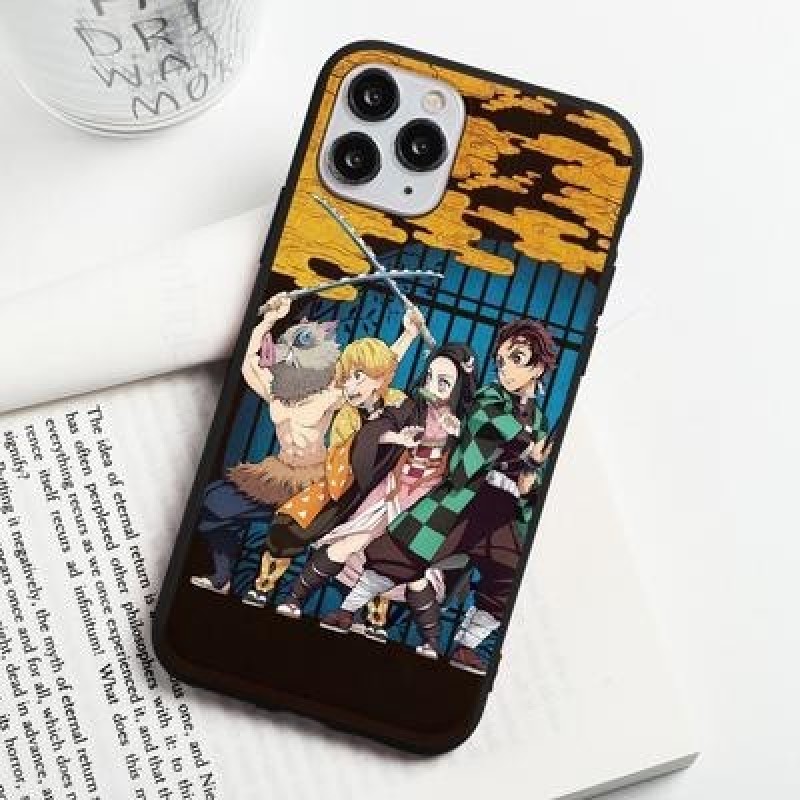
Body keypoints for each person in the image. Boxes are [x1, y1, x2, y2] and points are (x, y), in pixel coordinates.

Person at [331, 318, 557, 675]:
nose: (505, 369)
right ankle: (346, 610)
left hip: (506, 510)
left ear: (539, 367)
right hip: (469, 498)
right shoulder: (489, 397)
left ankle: (465, 647)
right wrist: (530, 449)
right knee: (404, 550)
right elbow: (491, 425)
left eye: (516, 359)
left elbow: (532, 474)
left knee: (507, 578)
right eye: (500, 360)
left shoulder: (540, 420)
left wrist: (531, 474)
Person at [191, 292, 423, 594]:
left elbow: (373, 371)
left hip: (313, 480)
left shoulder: (329, 394)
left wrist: (408, 334)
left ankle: (276, 586)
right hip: (274, 474)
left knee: (290, 533)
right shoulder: (274, 389)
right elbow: (247, 363)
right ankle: (223, 577)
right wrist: (269, 320)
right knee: (212, 503)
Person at [276, 344, 478, 660]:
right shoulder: (411, 407)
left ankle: (430, 642)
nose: (433, 386)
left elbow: (472, 471)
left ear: (459, 388)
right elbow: (378, 427)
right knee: (350, 542)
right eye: (430, 377)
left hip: (427, 505)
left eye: (444, 382)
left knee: (415, 572)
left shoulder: (467, 424)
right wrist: (396, 438)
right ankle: (294, 599)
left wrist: (461, 437)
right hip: (391, 491)